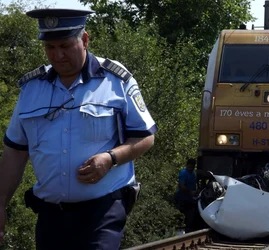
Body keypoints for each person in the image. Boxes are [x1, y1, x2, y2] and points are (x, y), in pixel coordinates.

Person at [0, 8, 158, 250]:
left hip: (102, 212)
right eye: (50, 48)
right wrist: (1, 203)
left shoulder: (116, 81)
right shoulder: (31, 90)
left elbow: (145, 136)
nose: (58, 55)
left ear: (84, 40)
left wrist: (111, 158)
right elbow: (15, 153)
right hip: (50, 215)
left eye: (65, 46)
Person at [174, 158, 198, 233]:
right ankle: (180, 229)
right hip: (182, 198)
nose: (190, 168)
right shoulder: (183, 173)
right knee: (181, 214)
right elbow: (182, 186)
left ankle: (188, 229)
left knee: (190, 215)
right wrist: (190, 192)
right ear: (187, 165)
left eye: (192, 167)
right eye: (189, 167)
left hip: (190, 199)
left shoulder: (193, 174)